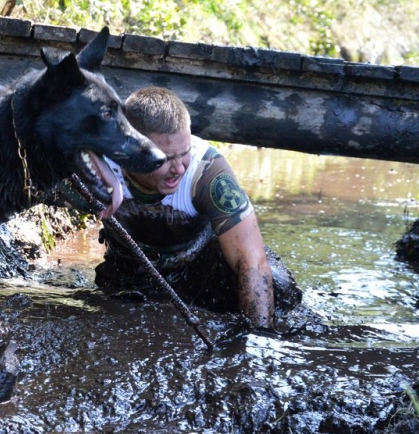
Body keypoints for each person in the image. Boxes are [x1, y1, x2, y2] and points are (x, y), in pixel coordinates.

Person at [89, 86, 301, 329]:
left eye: (184, 153)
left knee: (278, 285)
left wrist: (258, 341)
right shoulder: (96, 164)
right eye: (166, 158)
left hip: (198, 276)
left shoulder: (207, 171)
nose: (179, 168)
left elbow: (251, 260)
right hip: (127, 273)